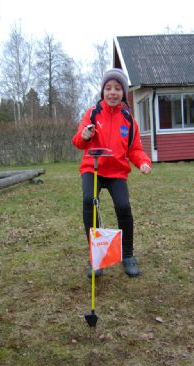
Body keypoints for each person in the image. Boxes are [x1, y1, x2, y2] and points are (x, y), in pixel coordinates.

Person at [72, 68, 152, 278]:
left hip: (116, 171)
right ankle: (96, 258)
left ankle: (128, 255)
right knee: (89, 201)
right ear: (103, 91)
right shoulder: (92, 113)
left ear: (123, 93)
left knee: (123, 207)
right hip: (93, 168)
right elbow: (78, 142)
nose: (112, 92)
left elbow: (134, 149)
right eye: (108, 88)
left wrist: (143, 162)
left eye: (117, 88)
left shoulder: (128, 119)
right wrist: (86, 135)